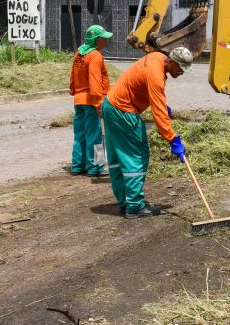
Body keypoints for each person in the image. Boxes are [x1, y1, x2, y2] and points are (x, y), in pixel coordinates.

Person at [102, 47, 193, 219]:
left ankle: (125, 202)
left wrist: (161, 103)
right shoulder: (157, 76)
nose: (181, 73)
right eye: (180, 69)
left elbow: (144, 84)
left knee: (118, 157)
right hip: (123, 111)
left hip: (110, 105)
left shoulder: (156, 57)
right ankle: (135, 206)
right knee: (137, 155)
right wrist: (173, 140)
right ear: (171, 62)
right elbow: (158, 115)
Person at [68, 24, 113, 176]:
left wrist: (74, 91)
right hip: (92, 101)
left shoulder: (78, 54)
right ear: (96, 40)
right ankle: (96, 167)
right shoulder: (95, 56)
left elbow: (73, 78)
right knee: (95, 135)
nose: (106, 41)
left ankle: (77, 166)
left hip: (79, 101)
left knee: (79, 134)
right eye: (103, 39)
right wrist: (99, 104)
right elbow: (94, 81)